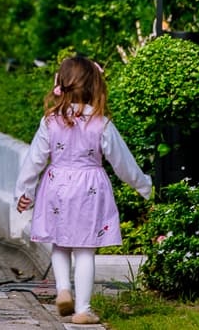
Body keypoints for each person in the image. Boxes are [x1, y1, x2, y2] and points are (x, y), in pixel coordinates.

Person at [14, 56, 152, 325]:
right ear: (95, 85)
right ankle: (83, 309)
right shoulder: (101, 123)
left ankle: (63, 289)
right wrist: (145, 187)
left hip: (56, 186)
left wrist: (24, 192)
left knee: (60, 244)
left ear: (60, 84)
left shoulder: (50, 121)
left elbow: (34, 160)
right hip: (90, 188)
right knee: (86, 250)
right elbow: (124, 164)